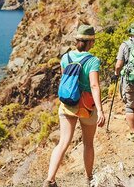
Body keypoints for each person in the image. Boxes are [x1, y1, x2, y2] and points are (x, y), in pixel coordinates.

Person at [44, 24, 105, 187]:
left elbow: (65, 79)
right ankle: (88, 178)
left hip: (67, 104)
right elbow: (94, 86)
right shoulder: (93, 61)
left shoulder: (66, 58)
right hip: (86, 106)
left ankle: (50, 180)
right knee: (88, 143)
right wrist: (100, 110)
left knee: (63, 142)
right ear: (91, 42)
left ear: (77, 40)